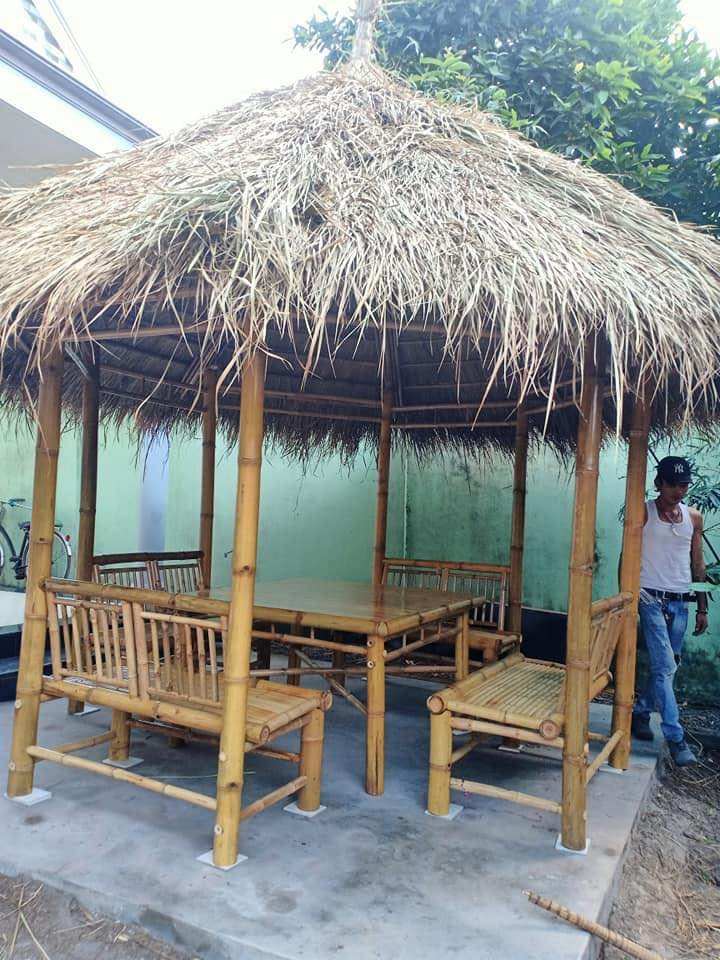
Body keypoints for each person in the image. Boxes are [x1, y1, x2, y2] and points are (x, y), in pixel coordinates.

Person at [631, 456, 708, 766]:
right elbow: (627, 555)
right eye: (673, 484)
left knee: (667, 666)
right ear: (659, 483)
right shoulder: (643, 512)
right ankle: (676, 739)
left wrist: (702, 607)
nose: (679, 490)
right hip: (649, 597)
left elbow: (698, 563)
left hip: (680, 601)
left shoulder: (694, 517)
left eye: (684, 485)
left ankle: (641, 712)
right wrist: (628, 596)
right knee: (665, 666)